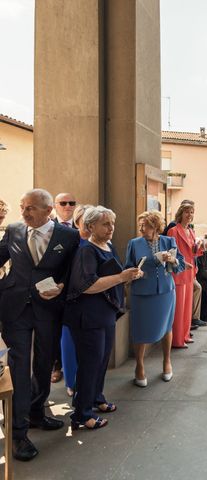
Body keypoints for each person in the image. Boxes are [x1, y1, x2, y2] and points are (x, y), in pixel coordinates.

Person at [0, 189, 80, 461]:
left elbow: (73, 272)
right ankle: (17, 434)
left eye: (30, 208)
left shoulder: (69, 236)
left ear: (49, 211)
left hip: (49, 309)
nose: (23, 213)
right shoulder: (13, 230)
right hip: (15, 308)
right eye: (22, 207)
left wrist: (61, 287)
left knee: (44, 364)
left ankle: (36, 413)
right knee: (19, 369)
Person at [65, 206, 140, 431]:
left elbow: (114, 278)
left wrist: (131, 275)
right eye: (105, 224)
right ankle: (81, 414)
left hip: (105, 313)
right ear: (90, 227)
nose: (111, 228)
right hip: (88, 316)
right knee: (90, 364)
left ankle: (96, 399)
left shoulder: (108, 246)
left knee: (100, 361)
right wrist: (121, 277)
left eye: (112, 223)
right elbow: (86, 286)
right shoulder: (86, 251)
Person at [125, 211, 184, 387]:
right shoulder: (134, 244)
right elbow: (127, 267)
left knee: (167, 326)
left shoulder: (168, 241)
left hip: (166, 291)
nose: (142, 229)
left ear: (156, 227)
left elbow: (179, 263)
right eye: (140, 225)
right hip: (141, 292)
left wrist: (172, 259)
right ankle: (139, 366)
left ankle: (167, 362)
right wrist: (135, 273)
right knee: (140, 329)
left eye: (146, 226)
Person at [60, 204, 92, 398]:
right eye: (85, 222)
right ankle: (71, 382)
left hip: (95, 303)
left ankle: (89, 383)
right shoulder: (69, 243)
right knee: (69, 343)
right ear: (77, 222)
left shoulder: (102, 243)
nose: (89, 226)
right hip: (71, 301)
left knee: (90, 347)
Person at [50, 192, 78, 383]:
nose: (68, 206)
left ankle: (72, 369)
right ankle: (56, 366)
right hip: (52, 289)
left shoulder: (81, 227)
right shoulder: (48, 227)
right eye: (63, 203)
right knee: (54, 330)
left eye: (71, 203)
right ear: (55, 205)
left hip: (74, 289)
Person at [167, 203, 202, 347]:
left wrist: (199, 247)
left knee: (187, 307)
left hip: (190, 271)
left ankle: (185, 335)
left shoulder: (191, 231)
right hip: (179, 272)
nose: (189, 215)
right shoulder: (173, 231)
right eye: (187, 212)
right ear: (181, 213)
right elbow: (171, 253)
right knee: (179, 308)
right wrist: (179, 264)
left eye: (192, 212)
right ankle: (177, 340)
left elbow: (193, 253)